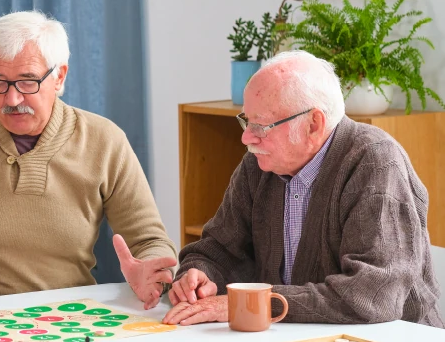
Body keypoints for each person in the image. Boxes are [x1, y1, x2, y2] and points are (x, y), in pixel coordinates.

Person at [0, 11, 178, 310]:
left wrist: (154, 271)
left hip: (69, 317)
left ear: (60, 77)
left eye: (27, 81)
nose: (12, 99)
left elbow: (149, 240)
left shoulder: (105, 140)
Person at [163, 51, 443, 327]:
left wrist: (253, 304)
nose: (246, 137)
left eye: (261, 125)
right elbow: (218, 249)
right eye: (246, 120)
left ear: (313, 124)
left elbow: (370, 295)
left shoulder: (375, 161)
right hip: (293, 341)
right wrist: (198, 275)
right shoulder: (258, 165)